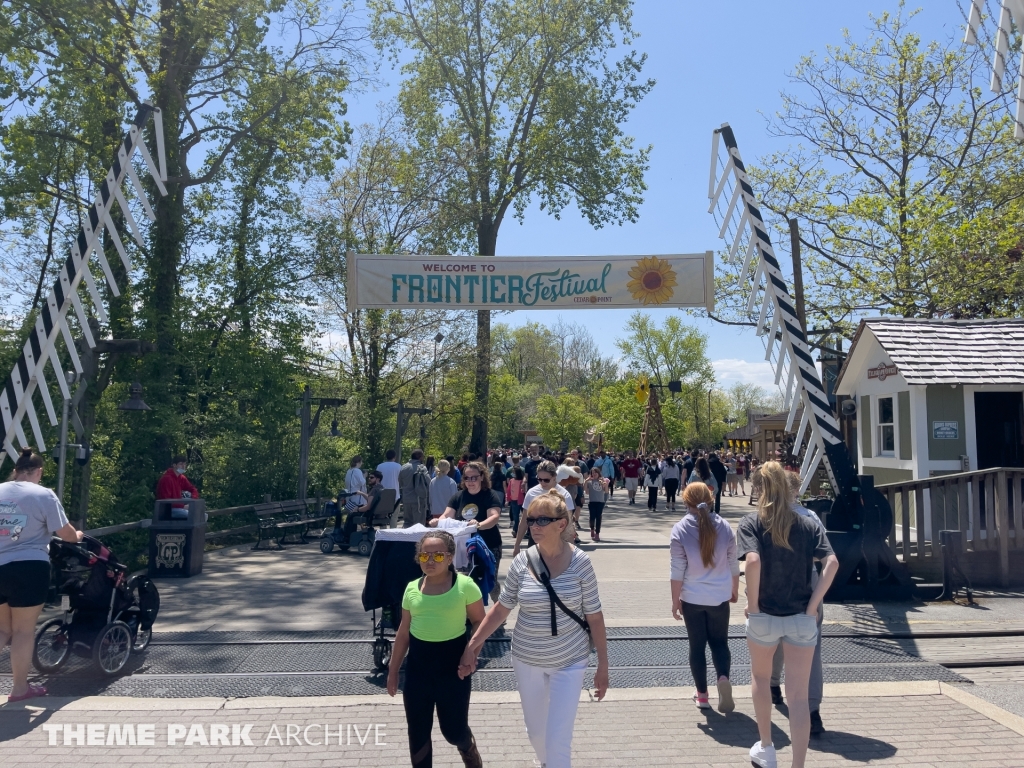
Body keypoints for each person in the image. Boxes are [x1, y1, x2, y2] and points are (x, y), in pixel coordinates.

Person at [459, 491, 608, 768]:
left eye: (542, 520)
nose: (533, 526)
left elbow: (595, 617)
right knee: (537, 733)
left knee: (557, 740)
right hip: (527, 659)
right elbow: (501, 609)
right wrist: (473, 645)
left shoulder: (581, 563)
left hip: (570, 661)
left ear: (561, 524)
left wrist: (603, 666)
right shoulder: (522, 561)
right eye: (530, 520)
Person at [737, 461, 839, 768]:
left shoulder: (751, 522)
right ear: (787, 486)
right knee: (798, 697)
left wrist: (753, 604)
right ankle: (798, 764)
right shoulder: (808, 524)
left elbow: (752, 561)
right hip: (801, 618)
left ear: (759, 489)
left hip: (764, 615)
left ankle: (767, 747)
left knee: (760, 677)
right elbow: (832, 563)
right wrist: (812, 606)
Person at [387, 530, 485, 768]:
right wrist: (393, 670)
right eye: (424, 556)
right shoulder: (411, 589)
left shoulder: (465, 586)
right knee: (418, 733)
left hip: (453, 670)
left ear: (450, 558)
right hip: (418, 671)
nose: (430, 561)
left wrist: (471, 652)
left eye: (438, 556)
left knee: (453, 730)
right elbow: (403, 633)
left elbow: (480, 623)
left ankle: (467, 747)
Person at [1, 447, 84, 702]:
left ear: (15, 471)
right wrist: (78, 536)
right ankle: (19, 688)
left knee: (3, 630)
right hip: (29, 567)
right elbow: (66, 533)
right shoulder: (43, 494)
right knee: (24, 631)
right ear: (39, 472)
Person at [670, 482, 739, 712]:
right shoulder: (724, 526)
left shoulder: (680, 529)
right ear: (710, 499)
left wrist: (675, 600)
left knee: (697, 646)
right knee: (720, 643)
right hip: (719, 595)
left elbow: (677, 570)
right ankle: (723, 678)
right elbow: (733, 563)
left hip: (692, 597)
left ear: (685, 501)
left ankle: (702, 695)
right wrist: (734, 589)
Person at [770, 471, 829, 735]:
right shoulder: (811, 518)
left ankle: (772, 682)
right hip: (809, 582)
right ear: (797, 491)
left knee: (775, 639)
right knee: (810, 648)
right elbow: (826, 556)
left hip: (775, 582)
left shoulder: (766, 517)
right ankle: (812, 709)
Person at [433, 462, 503, 598]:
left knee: (490, 582)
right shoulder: (458, 496)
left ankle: (499, 608)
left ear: (482, 477)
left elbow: (494, 516)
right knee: (468, 581)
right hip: (463, 548)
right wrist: (437, 521)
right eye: (467, 478)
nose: (470, 481)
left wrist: (479, 525)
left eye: (474, 478)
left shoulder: (490, 495)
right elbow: (446, 515)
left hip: (488, 545)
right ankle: (472, 616)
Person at [512, 461, 575, 557]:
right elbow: (524, 520)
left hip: (557, 542)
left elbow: (569, 524)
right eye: (539, 479)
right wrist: (517, 545)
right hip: (535, 539)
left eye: (546, 480)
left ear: (554, 477)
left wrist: (572, 550)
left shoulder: (565, 495)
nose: (542, 483)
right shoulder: (532, 493)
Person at [399, 450, 432, 528]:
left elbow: (400, 482)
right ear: (420, 457)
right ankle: (418, 540)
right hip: (418, 500)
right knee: (419, 524)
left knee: (407, 523)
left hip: (406, 500)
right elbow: (429, 482)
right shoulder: (421, 467)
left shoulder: (403, 467)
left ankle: (406, 539)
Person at [583, 467, 609, 542]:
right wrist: (585, 481)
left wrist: (604, 484)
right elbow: (586, 492)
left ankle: (597, 533)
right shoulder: (590, 482)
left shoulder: (602, 480)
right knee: (592, 517)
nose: (594, 474)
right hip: (592, 502)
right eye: (592, 473)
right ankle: (592, 529)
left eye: (595, 472)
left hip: (600, 502)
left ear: (598, 473)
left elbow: (606, 491)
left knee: (598, 518)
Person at [507, 467, 526, 533]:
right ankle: (516, 530)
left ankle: (524, 530)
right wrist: (507, 500)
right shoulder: (511, 480)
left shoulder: (522, 481)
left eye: (514, 472)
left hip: (521, 500)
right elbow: (508, 490)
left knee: (525, 516)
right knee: (516, 517)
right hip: (514, 500)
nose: (512, 473)